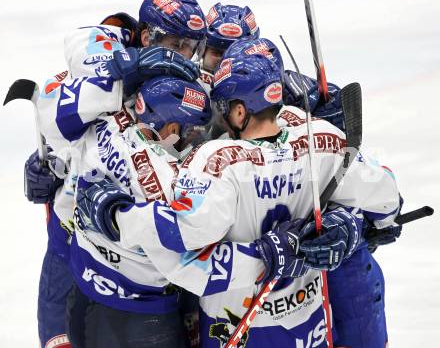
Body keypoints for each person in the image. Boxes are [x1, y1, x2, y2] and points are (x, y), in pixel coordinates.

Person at [78, 53, 401, 347]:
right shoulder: (322, 137)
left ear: (240, 110)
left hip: (235, 323)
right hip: (308, 315)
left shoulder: (216, 160)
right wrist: (367, 223)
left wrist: (114, 215)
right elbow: (385, 196)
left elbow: (184, 245)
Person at [26, 0, 206, 348]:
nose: (185, 57)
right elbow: (53, 110)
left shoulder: (197, 85)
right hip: (75, 245)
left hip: (159, 279)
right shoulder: (105, 50)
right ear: (145, 37)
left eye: (192, 47)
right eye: (175, 44)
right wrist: (51, 164)